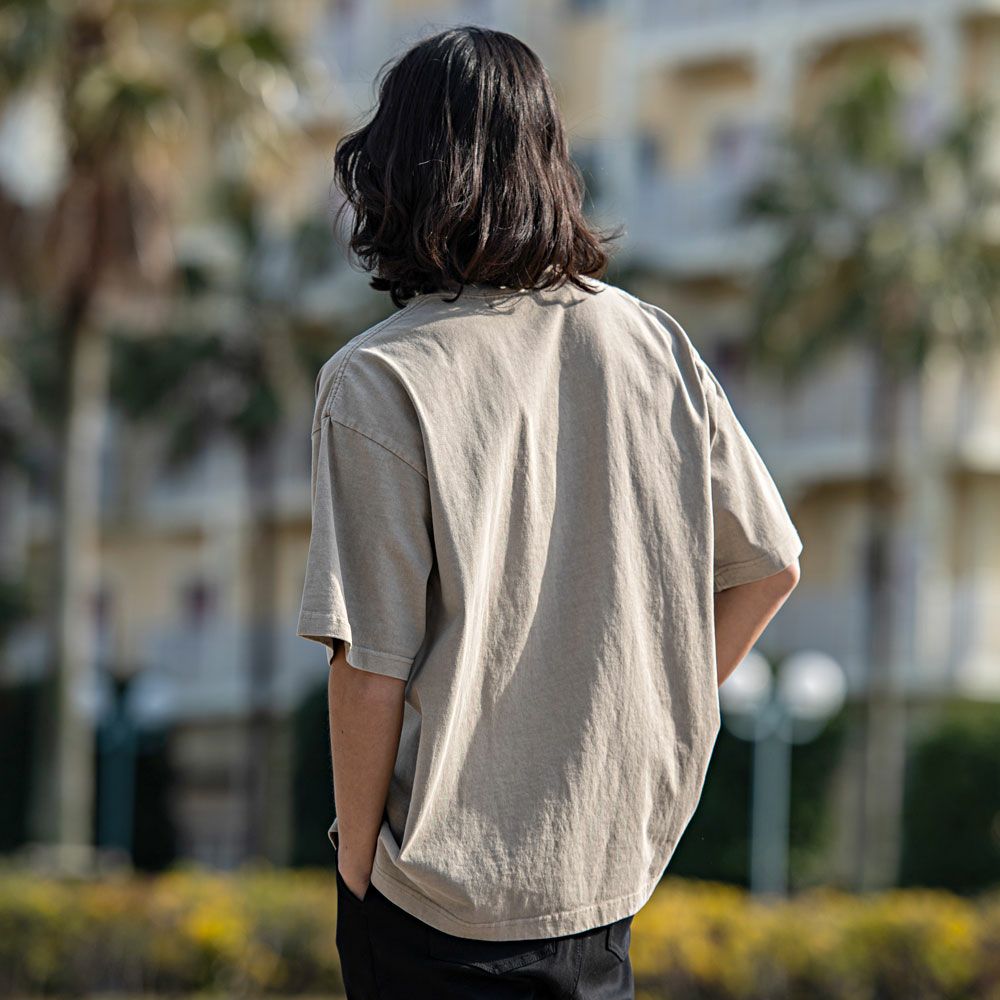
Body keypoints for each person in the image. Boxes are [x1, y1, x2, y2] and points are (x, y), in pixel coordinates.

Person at [296, 24, 802, 1000]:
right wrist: (648, 723)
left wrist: (357, 872)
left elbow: (370, 664)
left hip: (434, 899)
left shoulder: (378, 378)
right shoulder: (652, 342)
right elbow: (770, 566)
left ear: (394, 172)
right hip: (600, 884)